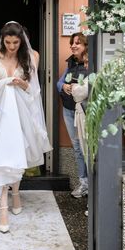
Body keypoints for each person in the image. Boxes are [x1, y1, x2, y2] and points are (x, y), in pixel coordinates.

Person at [0, 21, 52, 233]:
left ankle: (16, 194)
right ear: (3, 40)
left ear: (21, 40)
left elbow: (34, 90)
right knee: (1, 157)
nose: (11, 46)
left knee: (16, 156)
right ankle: (3, 208)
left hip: (20, 114)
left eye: (15, 42)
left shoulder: (31, 57)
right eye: (8, 42)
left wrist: (21, 83)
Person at [57, 32, 89, 198]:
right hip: (69, 111)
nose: (73, 46)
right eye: (72, 43)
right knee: (77, 148)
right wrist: (64, 87)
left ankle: (93, 183)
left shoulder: (91, 64)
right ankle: (83, 183)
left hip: (86, 112)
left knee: (88, 148)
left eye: (78, 43)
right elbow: (59, 83)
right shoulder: (71, 63)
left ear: (86, 46)